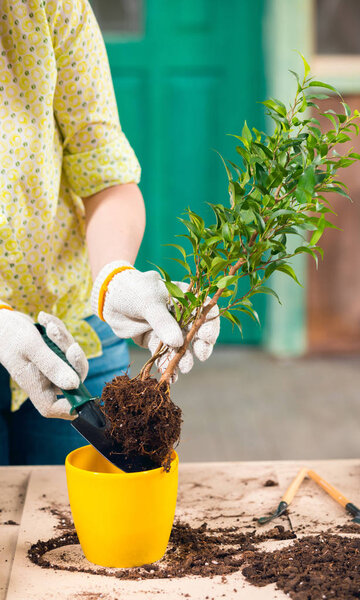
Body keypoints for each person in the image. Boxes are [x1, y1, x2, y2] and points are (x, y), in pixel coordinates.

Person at [0, 0, 219, 466]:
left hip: (71, 336)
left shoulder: (49, 8)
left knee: (84, 518)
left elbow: (106, 174)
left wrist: (114, 277)